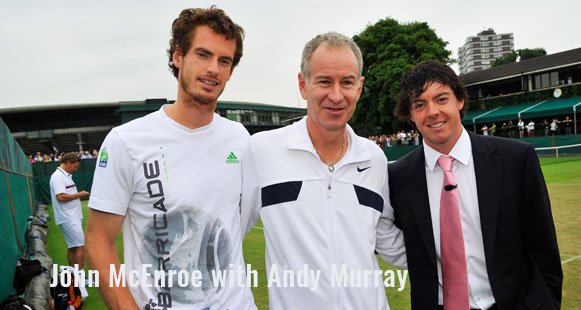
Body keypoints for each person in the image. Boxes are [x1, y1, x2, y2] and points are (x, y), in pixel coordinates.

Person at [85, 7, 256, 310]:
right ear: (178, 56)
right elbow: (99, 241)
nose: (213, 69)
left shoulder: (240, 139)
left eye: (224, 60)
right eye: (203, 55)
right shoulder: (127, 141)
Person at [240, 32, 407, 309]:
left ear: (359, 87)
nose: (336, 95)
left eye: (347, 82)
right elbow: (228, 237)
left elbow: (386, 238)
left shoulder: (374, 158)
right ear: (303, 85)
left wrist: (451, 260)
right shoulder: (261, 151)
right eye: (324, 81)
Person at [389, 60, 562, 309]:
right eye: (419, 104)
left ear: (459, 100)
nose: (432, 112)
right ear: (410, 114)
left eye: (441, 99)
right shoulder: (398, 177)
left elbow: (544, 246)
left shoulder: (516, 159)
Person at [50, 153, 90, 270]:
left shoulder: (65, 176)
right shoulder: (57, 177)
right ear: (67, 163)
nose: (76, 169)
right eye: (75, 166)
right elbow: (61, 197)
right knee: (81, 246)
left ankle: (73, 275)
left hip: (71, 216)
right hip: (68, 217)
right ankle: (80, 276)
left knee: (73, 246)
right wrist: (79, 194)